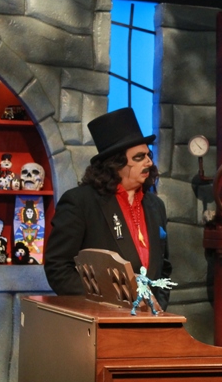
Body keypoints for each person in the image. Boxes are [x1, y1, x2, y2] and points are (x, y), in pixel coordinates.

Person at [44, 107, 172, 310]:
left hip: (150, 319)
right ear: (116, 163)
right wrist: (108, 302)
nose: (149, 162)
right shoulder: (81, 202)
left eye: (148, 155)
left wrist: (158, 307)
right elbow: (58, 268)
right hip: (100, 316)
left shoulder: (156, 206)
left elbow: (164, 267)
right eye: (139, 157)